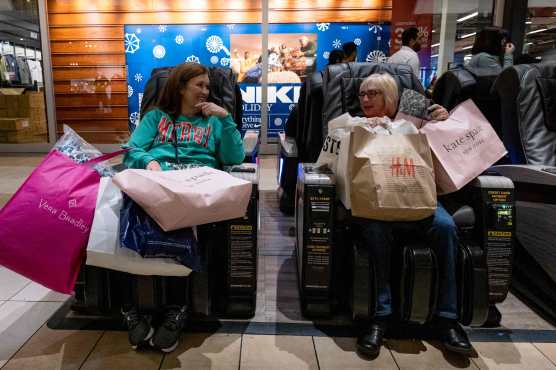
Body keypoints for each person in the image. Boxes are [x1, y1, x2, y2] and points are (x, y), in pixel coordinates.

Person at [121, 62, 244, 352]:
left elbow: (234, 155)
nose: (206, 91)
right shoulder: (156, 118)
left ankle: (176, 309)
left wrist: (226, 119)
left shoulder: (214, 120)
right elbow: (132, 149)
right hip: (158, 183)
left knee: (181, 230)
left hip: (196, 190)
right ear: (179, 87)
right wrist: (148, 161)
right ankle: (130, 307)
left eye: (208, 86)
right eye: (199, 85)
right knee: (125, 220)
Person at [353, 73, 473, 358]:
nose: (366, 100)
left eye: (373, 94)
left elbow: (450, 140)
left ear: (390, 97)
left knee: (445, 227)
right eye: (362, 95)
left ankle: (448, 320)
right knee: (375, 230)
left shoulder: (418, 112)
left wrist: (446, 120)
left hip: (420, 197)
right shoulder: (356, 124)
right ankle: (380, 316)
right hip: (378, 201)